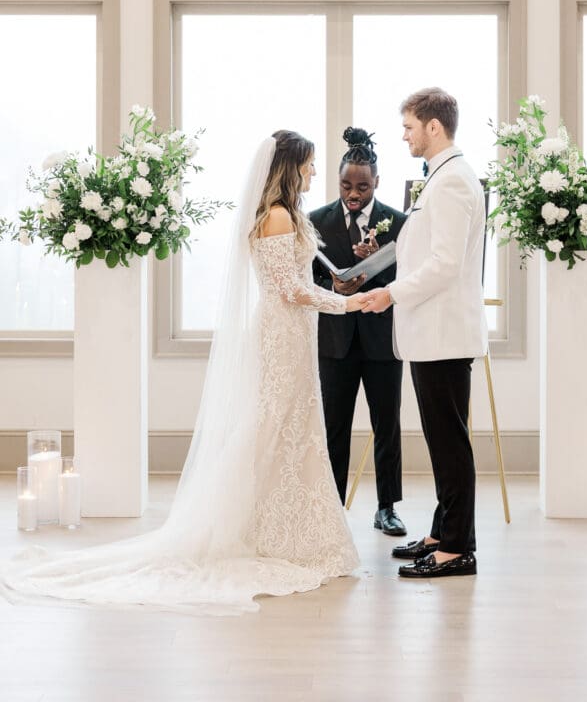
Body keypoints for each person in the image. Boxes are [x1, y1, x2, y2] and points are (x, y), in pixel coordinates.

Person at [1, 132, 363, 615]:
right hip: (281, 335)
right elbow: (289, 291)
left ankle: (290, 530)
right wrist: (348, 304)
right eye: (310, 164)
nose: (315, 172)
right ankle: (267, 531)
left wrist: (338, 288)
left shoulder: (285, 214)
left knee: (292, 429)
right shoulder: (276, 216)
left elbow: (296, 282)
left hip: (294, 334)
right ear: (290, 167)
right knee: (274, 429)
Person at [361, 89, 488, 579]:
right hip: (432, 334)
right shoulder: (442, 176)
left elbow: (445, 264)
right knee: (441, 441)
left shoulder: (452, 180)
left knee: (450, 443)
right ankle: (442, 531)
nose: (404, 136)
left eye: (409, 126)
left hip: (444, 335)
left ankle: (457, 548)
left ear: (434, 126)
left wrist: (390, 293)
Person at [310, 127, 407, 536]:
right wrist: (334, 286)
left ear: (377, 182)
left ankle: (387, 507)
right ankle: (332, 507)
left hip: (382, 338)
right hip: (335, 339)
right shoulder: (316, 221)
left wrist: (379, 263)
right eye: (346, 185)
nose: (353, 194)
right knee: (335, 426)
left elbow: (410, 279)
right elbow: (307, 277)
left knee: (387, 424)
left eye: (362, 187)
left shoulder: (399, 222)